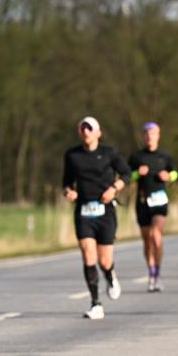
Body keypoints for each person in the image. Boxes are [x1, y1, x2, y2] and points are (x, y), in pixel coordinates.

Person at [62, 116, 128, 320]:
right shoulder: (72, 155)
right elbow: (66, 182)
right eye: (82, 128)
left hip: (105, 210)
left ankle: (110, 275)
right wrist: (68, 192)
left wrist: (114, 189)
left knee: (105, 260)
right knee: (88, 253)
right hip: (84, 211)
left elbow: (126, 174)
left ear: (98, 132)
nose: (86, 131)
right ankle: (95, 303)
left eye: (89, 128)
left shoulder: (110, 153)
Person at [127, 122, 177, 292]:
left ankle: (157, 273)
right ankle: (151, 273)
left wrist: (169, 176)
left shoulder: (165, 156)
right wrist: (136, 174)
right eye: (147, 134)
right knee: (147, 240)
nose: (150, 137)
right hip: (142, 202)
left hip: (160, 201)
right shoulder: (136, 157)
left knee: (156, 235)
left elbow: (175, 173)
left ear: (158, 135)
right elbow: (126, 176)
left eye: (153, 133)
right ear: (143, 136)